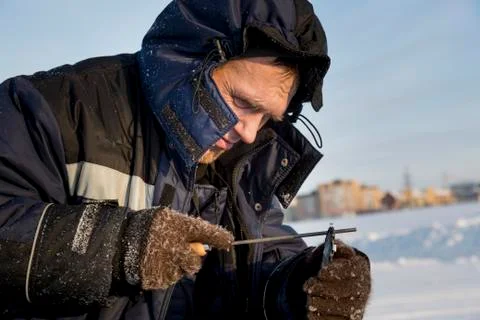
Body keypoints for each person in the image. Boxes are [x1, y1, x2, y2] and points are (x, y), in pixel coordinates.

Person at [0, 0, 371, 319]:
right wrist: (119, 245)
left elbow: (259, 269)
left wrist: (299, 289)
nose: (250, 133)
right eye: (242, 102)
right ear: (189, 59)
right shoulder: (54, 108)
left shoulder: (243, 165)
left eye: (267, 118)